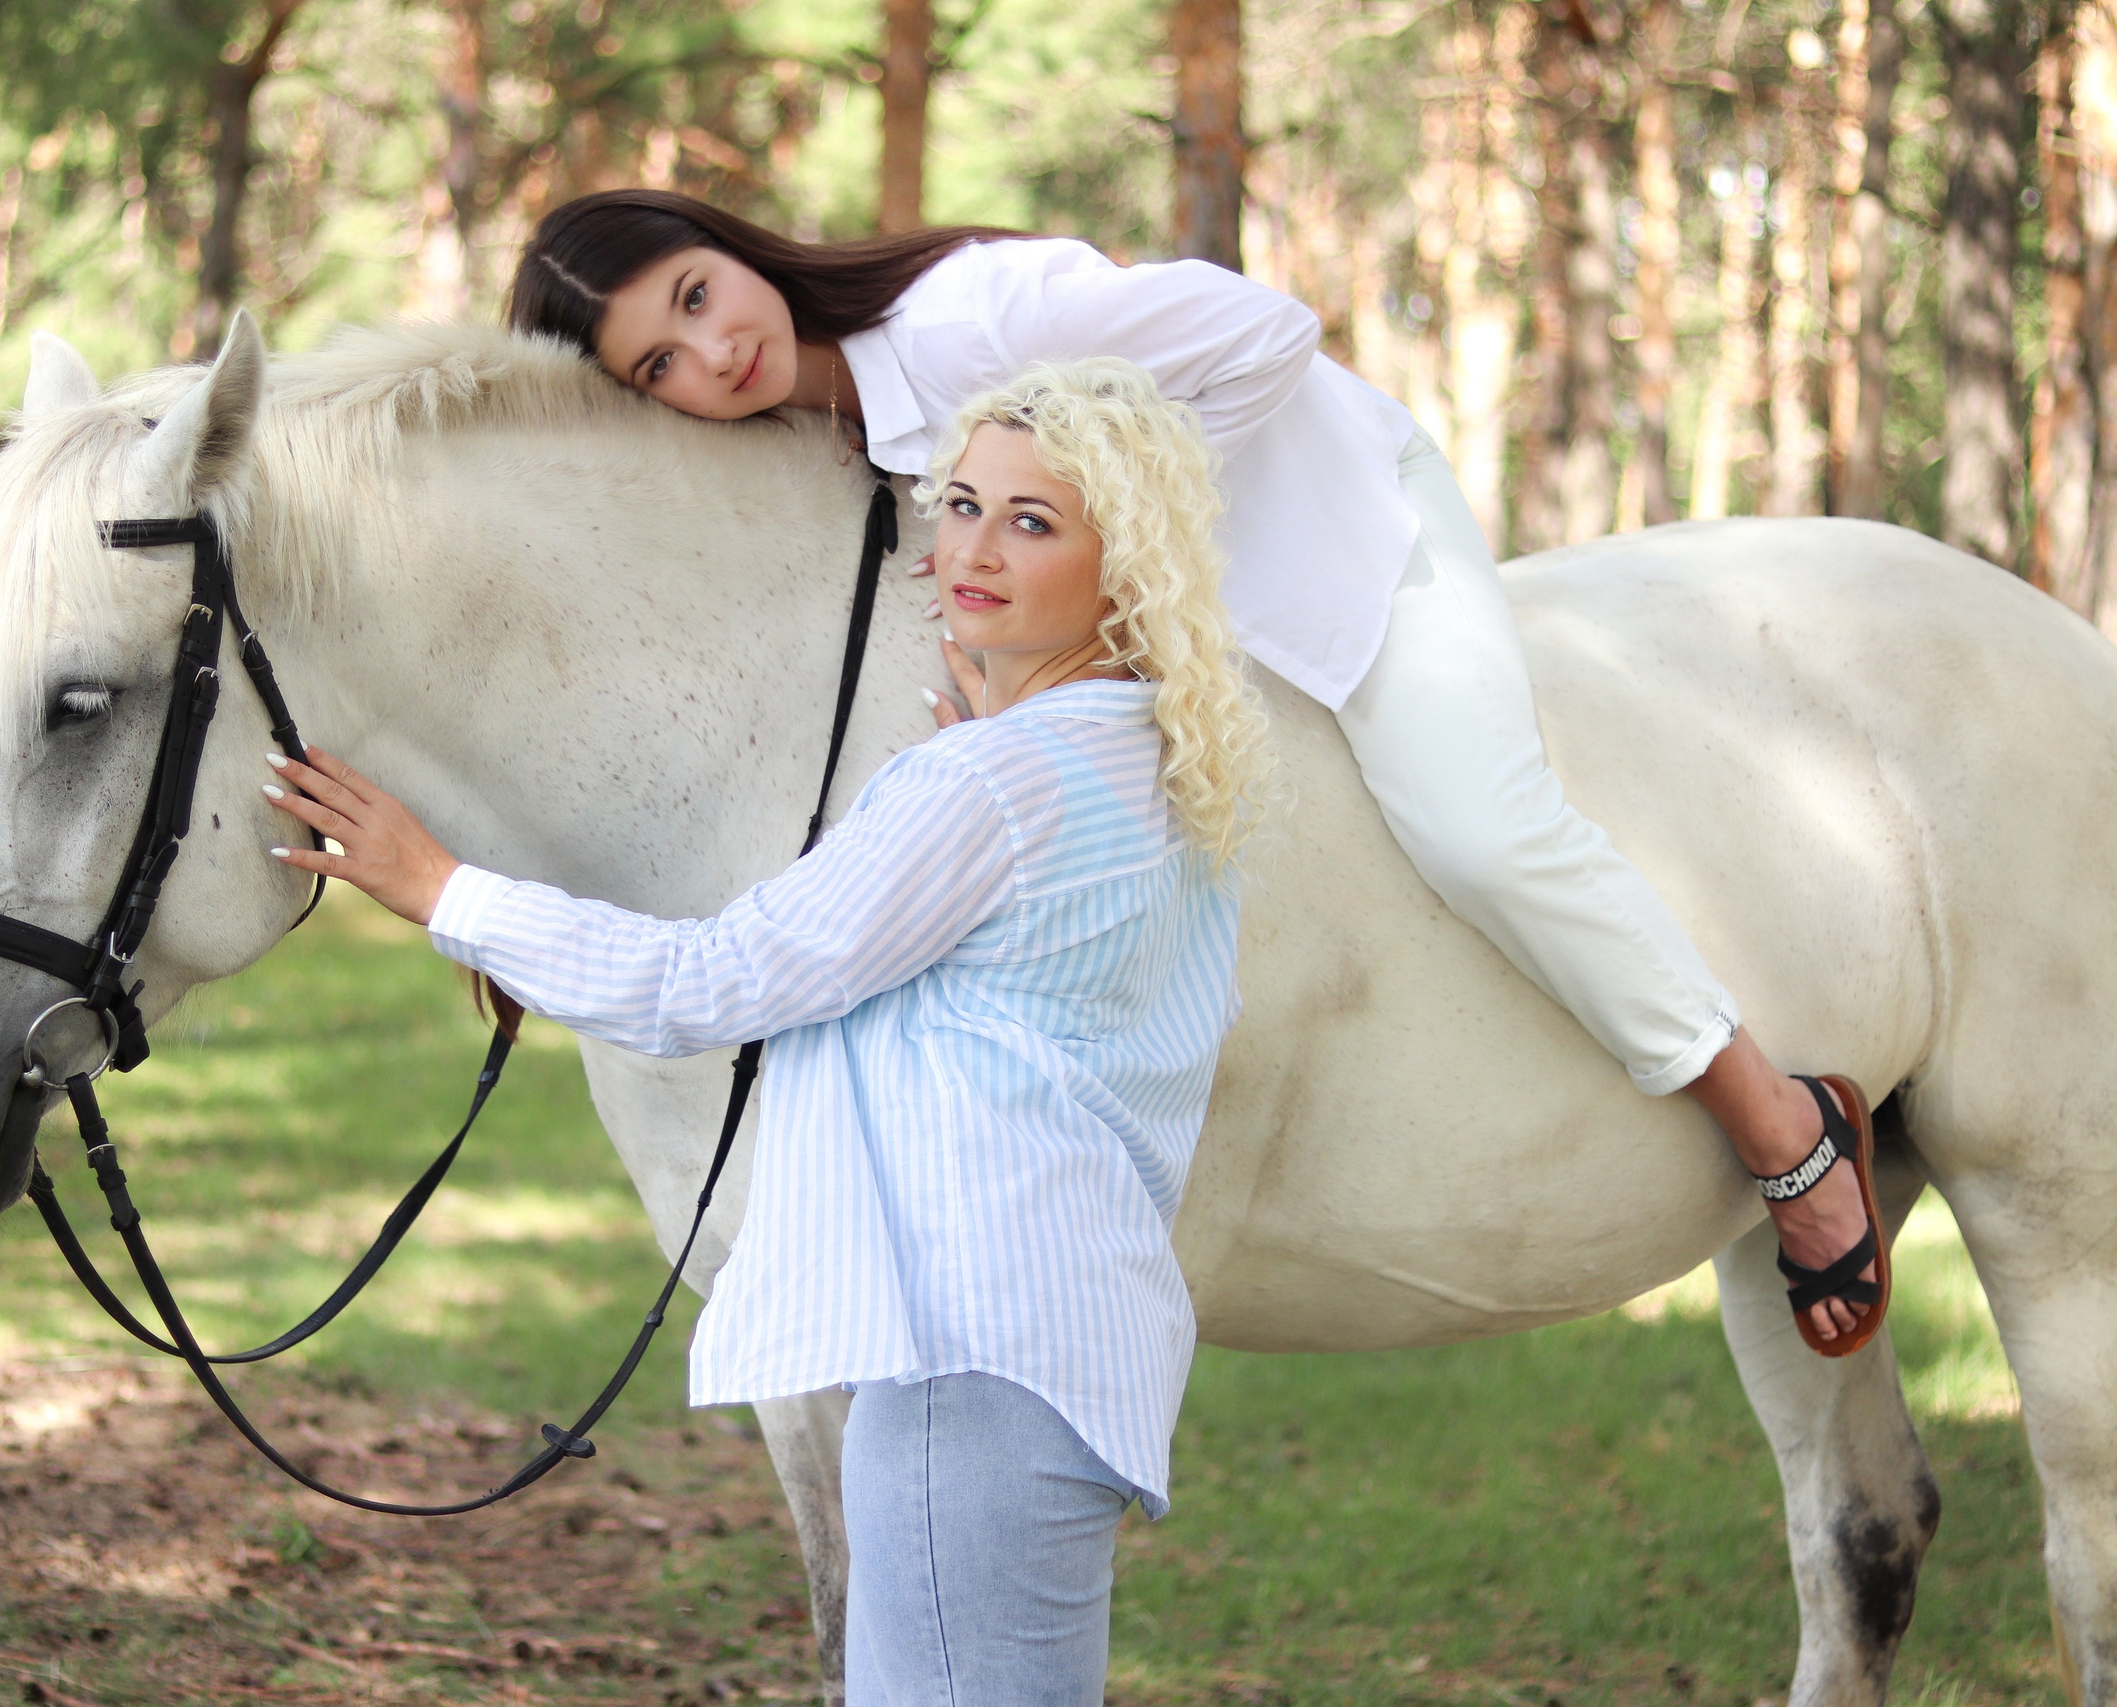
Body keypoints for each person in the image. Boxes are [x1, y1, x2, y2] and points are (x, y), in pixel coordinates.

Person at [502, 188, 1887, 1357]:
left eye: (693, 295)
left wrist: (1124, 551)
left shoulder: (975, 319)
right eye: (655, 366)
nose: (711, 350)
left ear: (730, 246)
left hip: (1345, 550)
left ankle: (1782, 1128)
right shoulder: (828, 438)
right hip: (1181, 647)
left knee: (1485, 830)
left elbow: (1266, 332)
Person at [261, 361, 1262, 1702]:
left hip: (965, 1356)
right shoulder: (1148, 755)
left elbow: (711, 983)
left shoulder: (994, 782)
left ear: (1125, 560)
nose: (970, 549)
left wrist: (442, 887)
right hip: (1060, 1348)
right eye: (960, 504)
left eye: (1034, 522)